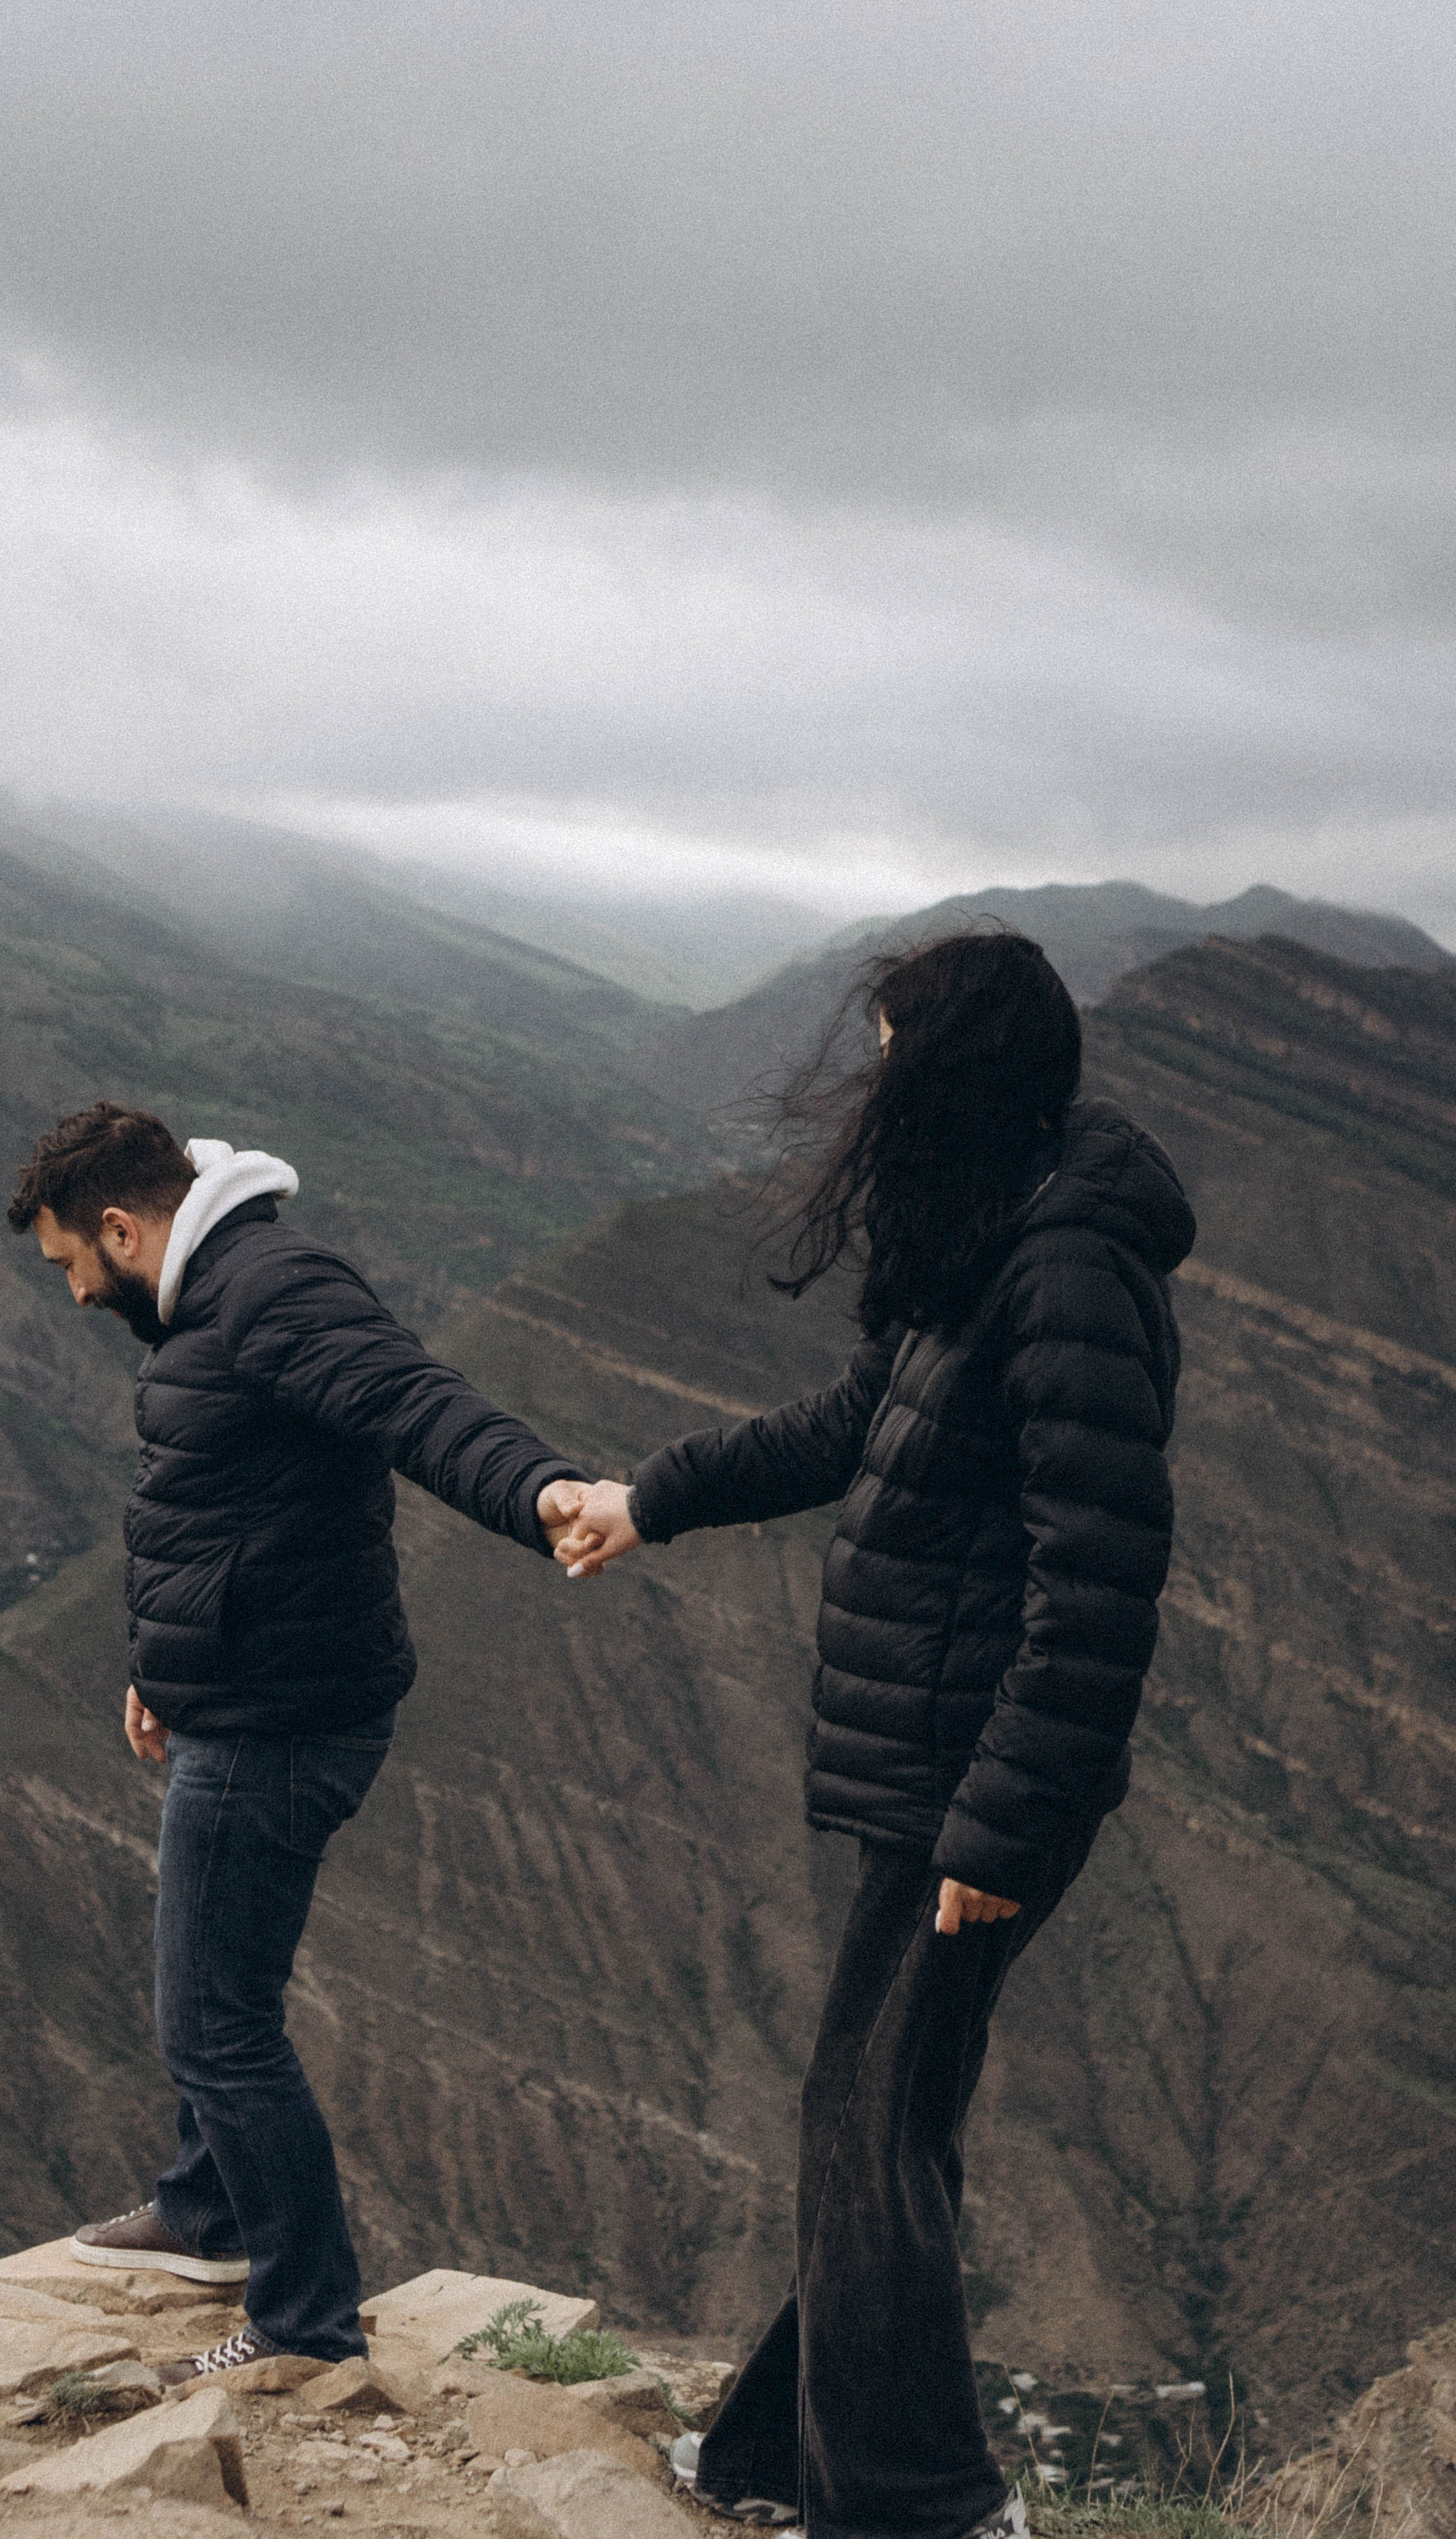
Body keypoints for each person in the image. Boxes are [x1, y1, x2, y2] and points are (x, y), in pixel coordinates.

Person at [553, 931, 1195, 2539]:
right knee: (874, 2119)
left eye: (898, 1052)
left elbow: (1099, 1578)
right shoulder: (988, 1238)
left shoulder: (1061, 1272)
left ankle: (915, 2506)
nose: (874, 1087)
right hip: (933, 1762)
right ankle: (782, 2455)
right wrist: (651, 1501)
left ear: (956, 1073)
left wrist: (995, 1820)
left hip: (973, 1778)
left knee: (869, 2124)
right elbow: (850, 1428)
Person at [7, 1102, 590, 2383]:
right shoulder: (214, 1293)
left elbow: (418, 1404)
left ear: (120, 1226)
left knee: (216, 2022)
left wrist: (540, 1489)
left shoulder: (271, 1290)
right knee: (224, 1986)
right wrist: (164, 1669)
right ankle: (206, 2214)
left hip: (283, 1726)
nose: (72, 1295)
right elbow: (220, 1501)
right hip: (246, 1694)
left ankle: (302, 2322)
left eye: (70, 1265)